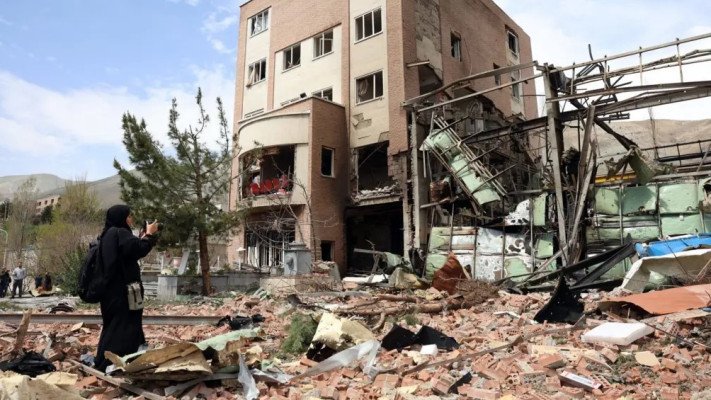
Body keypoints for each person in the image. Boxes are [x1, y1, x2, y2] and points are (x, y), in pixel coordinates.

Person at [94, 205, 159, 372]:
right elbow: (139, 249)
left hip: (110, 292)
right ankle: (112, 363)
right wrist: (150, 234)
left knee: (114, 326)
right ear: (121, 217)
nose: (131, 220)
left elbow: (128, 250)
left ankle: (111, 360)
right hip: (122, 293)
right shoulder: (120, 233)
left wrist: (142, 237)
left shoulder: (108, 234)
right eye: (129, 216)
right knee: (124, 326)